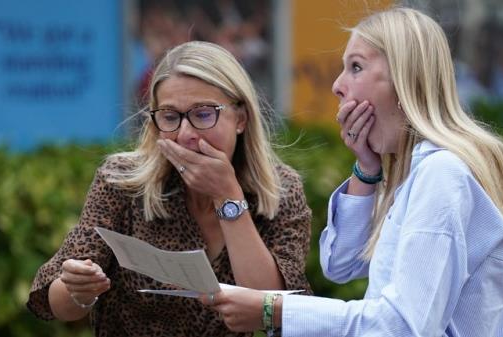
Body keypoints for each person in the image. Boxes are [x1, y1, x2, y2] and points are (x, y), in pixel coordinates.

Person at [202, 7, 503, 337]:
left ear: (404, 80)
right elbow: (341, 263)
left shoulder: (440, 173)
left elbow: (403, 326)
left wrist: (275, 309)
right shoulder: (412, 172)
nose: (337, 86)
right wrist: (367, 169)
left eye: (356, 67)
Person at [27, 41, 312, 337]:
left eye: (203, 114)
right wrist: (80, 288)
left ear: (240, 118)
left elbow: (269, 309)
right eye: (170, 117)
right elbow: (60, 305)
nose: (186, 134)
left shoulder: (281, 190)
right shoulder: (122, 182)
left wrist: (228, 196)